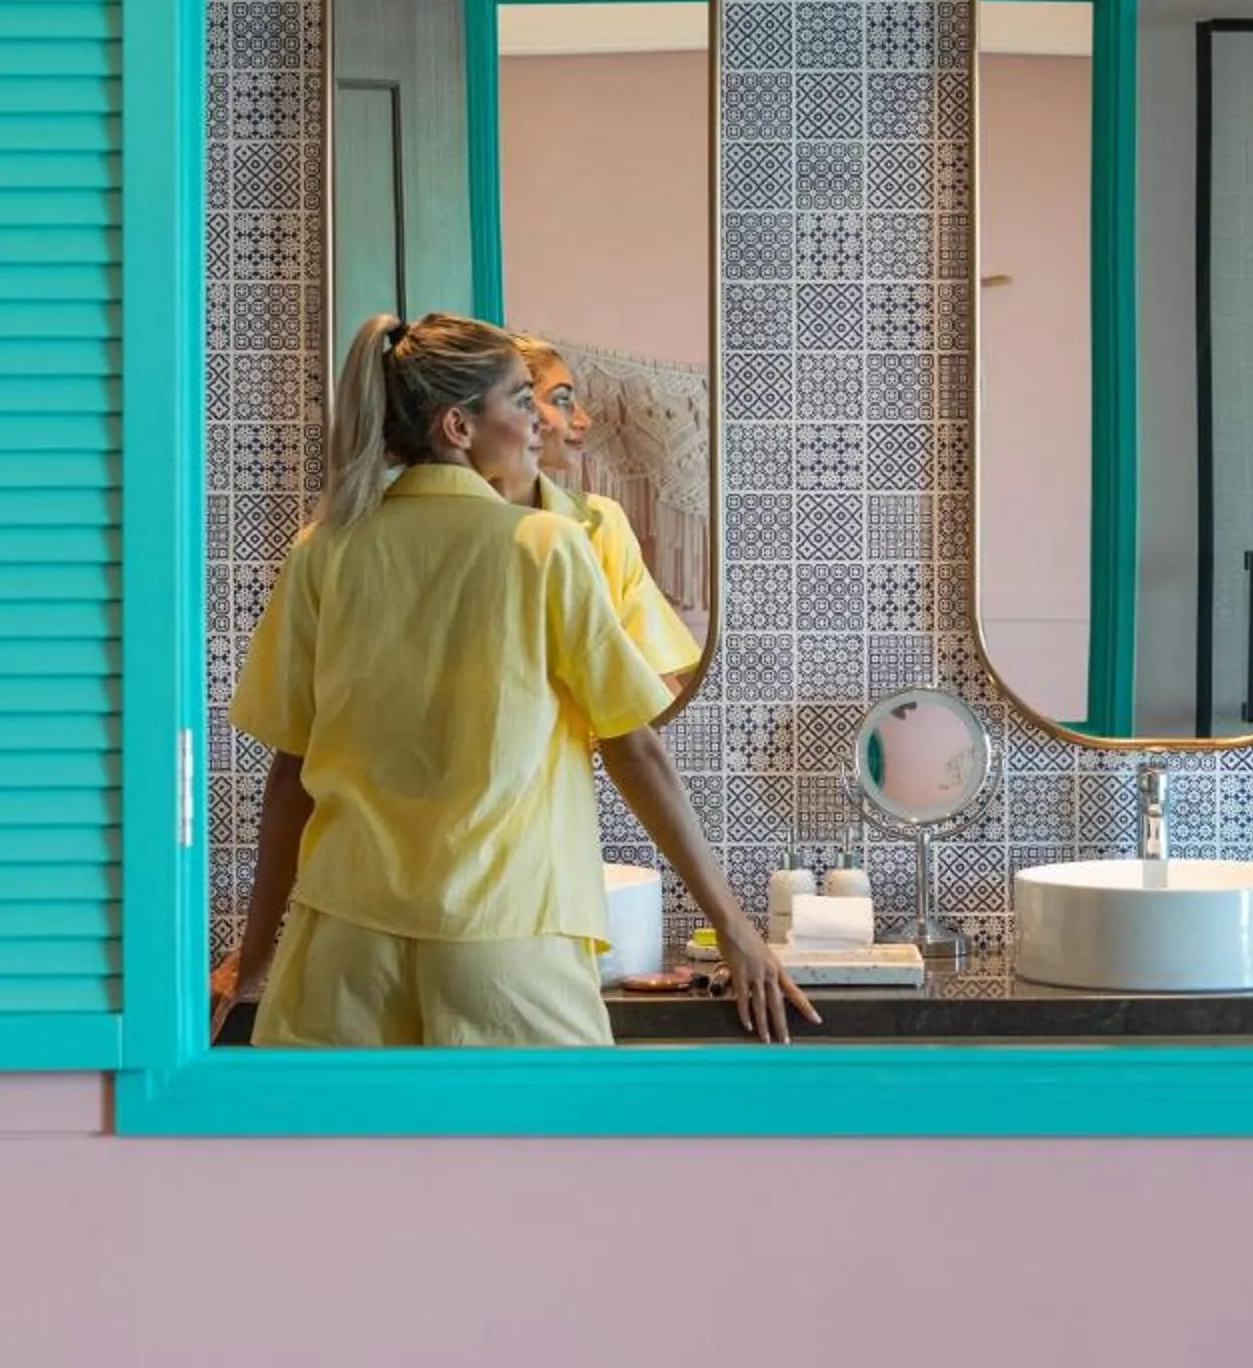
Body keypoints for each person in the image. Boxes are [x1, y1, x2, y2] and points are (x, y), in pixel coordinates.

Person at [211, 311, 812, 1047]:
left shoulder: (325, 549)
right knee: (540, 1161)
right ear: (459, 427)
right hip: (506, 937)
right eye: (522, 400)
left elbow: (290, 772)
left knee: (346, 1163)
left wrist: (255, 958)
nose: (542, 421)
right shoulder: (545, 547)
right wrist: (736, 929)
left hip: (342, 943)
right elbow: (635, 750)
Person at [508, 336, 702, 691]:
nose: (583, 419)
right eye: (562, 400)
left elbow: (657, 674)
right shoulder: (449, 533)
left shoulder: (599, 522)